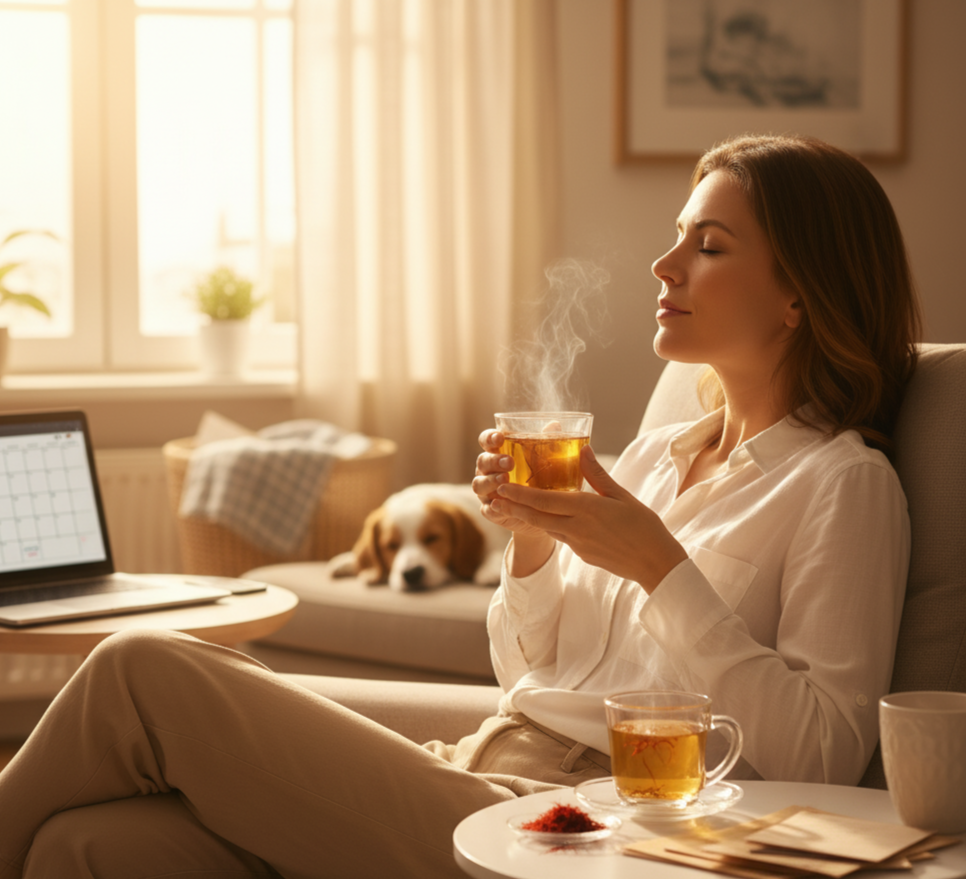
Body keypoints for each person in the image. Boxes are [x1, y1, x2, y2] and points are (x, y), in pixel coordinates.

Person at [0, 134, 921, 879]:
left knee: (141, 667)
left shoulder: (843, 484)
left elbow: (827, 756)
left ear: (799, 292)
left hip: (591, 829)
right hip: (483, 764)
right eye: (679, 235)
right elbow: (528, 675)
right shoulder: (651, 455)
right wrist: (529, 546)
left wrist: (659, 567)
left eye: (707, 246)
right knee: (83, 848)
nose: (665, 262)